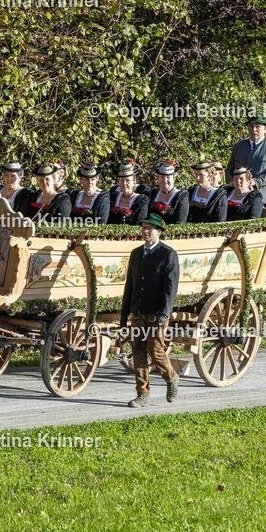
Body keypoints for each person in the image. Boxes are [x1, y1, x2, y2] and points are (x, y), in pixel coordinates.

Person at [120, 213, 179, 407]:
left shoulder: (168, 254)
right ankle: (142, 393)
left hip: (156, 314)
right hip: (138, 312)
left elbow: (170, 288)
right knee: (138, 351)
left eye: (149, 228)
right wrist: (124, 315)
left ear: (159, 232)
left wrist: (164, 314)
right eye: (143, 228)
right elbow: (130, 285)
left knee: (155, 351)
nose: (145, 231)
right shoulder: (136, 254)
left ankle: (171, 378)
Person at [226, 114, 266, 216]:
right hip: (238, 196)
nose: (254, 129)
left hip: (264, 197)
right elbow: (229, 169)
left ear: (265, 129)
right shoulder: (239, 146)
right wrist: (232, 182)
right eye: (251, 126)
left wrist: (255, 182)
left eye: (258, 127)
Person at [146, 160, 189, 224]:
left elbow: (180, 223)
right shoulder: (153, 193)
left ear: (174, 179)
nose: (165, 181)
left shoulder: (181, 197)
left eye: (168, 177)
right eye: (162, 177)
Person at [108, 159, 149, 225]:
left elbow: (140, 224)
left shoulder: (141, 201)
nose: (124, 183)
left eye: (128, 180)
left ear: (134, 182)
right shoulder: (113, 197)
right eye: (122, 180)